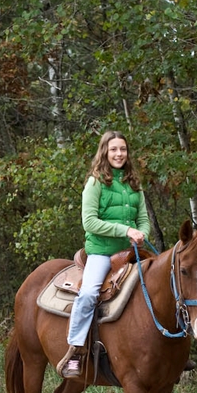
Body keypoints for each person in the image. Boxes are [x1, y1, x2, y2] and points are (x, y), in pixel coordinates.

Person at [57, 131, 152, 379]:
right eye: (114, 150)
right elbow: (89, 222)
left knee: (168, 280)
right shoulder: (96, 182)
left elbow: (143, 219)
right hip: (101, 252)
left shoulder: (134, 183)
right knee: (88, 294)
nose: (119, 154)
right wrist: (125, 229)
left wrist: (141, 232)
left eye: (123, 149)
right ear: (104, 152)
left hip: (131, 251)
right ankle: (75, 351)